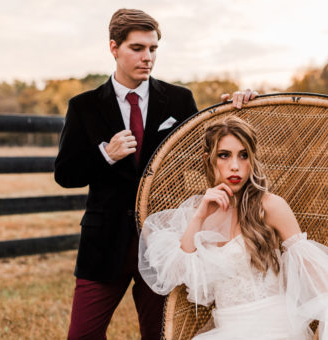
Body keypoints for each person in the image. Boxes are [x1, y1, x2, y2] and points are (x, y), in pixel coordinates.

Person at [54, 8, 256, 340]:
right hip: (103, 243)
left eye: (153, 49)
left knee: (160, 335)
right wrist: (106, 153)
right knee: (82, 335)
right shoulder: (83, 106)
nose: (147, 57)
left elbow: (204, 157)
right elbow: (65, 173)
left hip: (164, 241)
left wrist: (233, 108)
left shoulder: (179, 99)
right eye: (137, 48)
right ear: (113, 47)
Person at [138, 116, 328, 340]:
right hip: (226, 329)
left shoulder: (270, 206)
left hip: (275, 328)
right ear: (209, 159)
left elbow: (312, 269)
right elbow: (176, 273)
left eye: (243, 155)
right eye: (224, 155)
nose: (235, 166)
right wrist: (201, 215)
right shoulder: (198, 213)